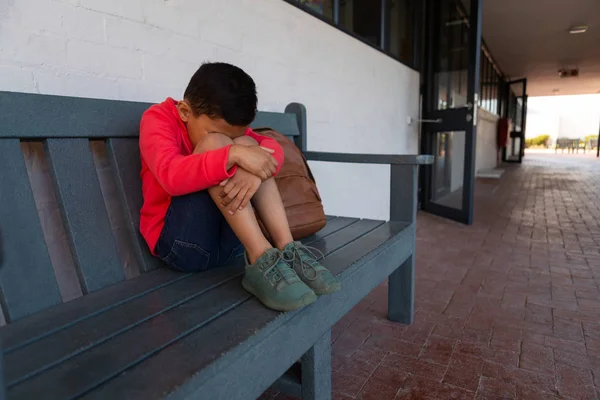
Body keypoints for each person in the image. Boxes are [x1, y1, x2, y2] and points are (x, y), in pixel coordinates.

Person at [139, 62, 340, 311]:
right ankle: (260, 258)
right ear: (184, 111)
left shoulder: (229, 127)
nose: (230, 140)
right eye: (213, 130)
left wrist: (253, 173)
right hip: (184, 246)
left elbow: (272, 149)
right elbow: (171, 176)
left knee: (249, 144)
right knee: (220, 145)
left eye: (233, 134)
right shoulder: (158, 119)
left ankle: (288, 250)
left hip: (232, 244)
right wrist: (234, 154)